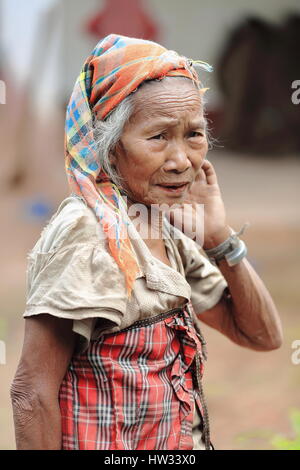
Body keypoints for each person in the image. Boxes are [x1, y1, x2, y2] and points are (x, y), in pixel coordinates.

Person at [10, 34, 283, 451]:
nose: (181, 160)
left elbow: (261, 336)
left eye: (193, 134)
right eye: (158, 137)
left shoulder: (164, 227)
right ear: (111, 148)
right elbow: (32, 393)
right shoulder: (88, 233)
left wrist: (220, 240)